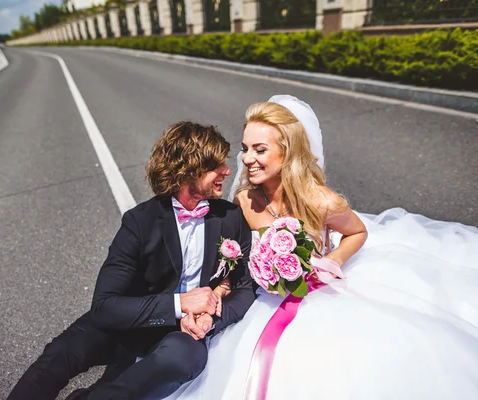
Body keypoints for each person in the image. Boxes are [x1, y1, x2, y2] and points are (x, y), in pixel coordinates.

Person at [164, 96, 478, 399]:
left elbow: (357, 232)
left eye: (260, 150)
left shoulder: (320, 201)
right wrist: (220, 290)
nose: (247, 159)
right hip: (262, 299)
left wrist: (332, 260)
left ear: (287, 153)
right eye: (245, 149)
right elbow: (235, 255)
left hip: (317, 295)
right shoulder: (244, 201)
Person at [7, 121, 256, 400]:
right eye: (215, 166)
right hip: (137, 316)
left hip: (184, 334)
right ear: (188, 170)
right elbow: (104, 306)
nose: (227, 170)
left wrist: (210, 319)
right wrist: (181, 303)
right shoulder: (140, 222)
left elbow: (245, 287)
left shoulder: (230, 218)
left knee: (182, 360)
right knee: (61, 352)